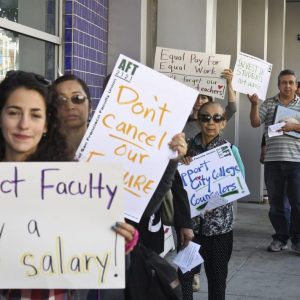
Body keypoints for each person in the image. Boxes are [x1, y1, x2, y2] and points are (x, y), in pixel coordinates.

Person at [0, 70, 73, 299]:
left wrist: (114, 241)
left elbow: (87, 246)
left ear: (46, 126)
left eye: (35, 115)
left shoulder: (72, 183)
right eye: (13, 113)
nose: (24, 124)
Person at [174, 101, 245, 300]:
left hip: (219, 230)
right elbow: (177, 186)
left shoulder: (230, 151)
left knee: (217, 279)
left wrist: (212, 202)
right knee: (185, 276)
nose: (210, 122)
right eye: (205, 118)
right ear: (198, 121)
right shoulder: (186, 149)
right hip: (190, 229)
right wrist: (181, 161)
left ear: (223, 123)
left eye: (217, 118)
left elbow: (238, 185)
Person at [247, 69, 300, 253]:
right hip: (273, 161)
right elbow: (255, 122)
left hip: (296, 161)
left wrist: (295, 126)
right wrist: (254, 104)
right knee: (276, 203)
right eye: (284, 82)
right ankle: (280, 237)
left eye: (291, 82)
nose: (287, 86)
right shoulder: (269, 103)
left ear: (295, 85)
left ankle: (298, 240)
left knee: (297, 202)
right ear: (278, 85)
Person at [183, 68, 237, 141]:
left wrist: (229, 83)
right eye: (196, 97)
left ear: (209, 101)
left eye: (203, 97)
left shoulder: (216, 119)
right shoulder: (182, 121)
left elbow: (232, 108)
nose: (199, 101)